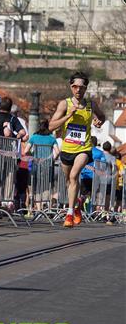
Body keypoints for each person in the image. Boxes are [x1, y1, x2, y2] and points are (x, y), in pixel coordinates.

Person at [49, 71, 105, 228]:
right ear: (71, 87)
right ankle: (77, 205)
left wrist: (99, 122)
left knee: (74, 176)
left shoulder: (91, 105)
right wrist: (68, 116)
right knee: (70, 181)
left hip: (84, 148)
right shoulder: (64, 104)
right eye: (75, 86)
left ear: (86, 88)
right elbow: (51, 126)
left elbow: (102, 117)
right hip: (67, 149)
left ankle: (69, 214)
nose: (78, 90)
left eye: (81, 87)